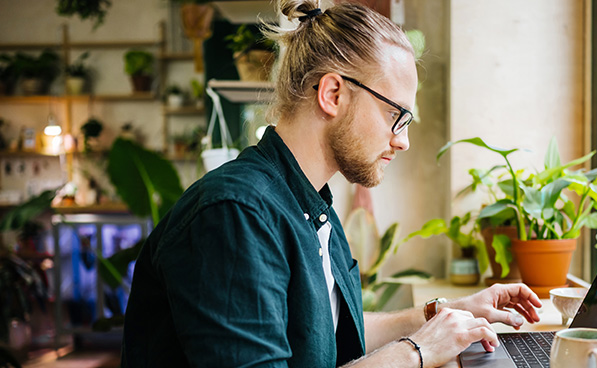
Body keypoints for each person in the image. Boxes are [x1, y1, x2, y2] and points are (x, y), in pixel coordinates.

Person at [121, 1, 543, 367]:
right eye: (397, 115)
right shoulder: (234, 214)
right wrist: (417, 351)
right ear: (333, 94)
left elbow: (325, 333)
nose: (403, 139)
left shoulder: (309, 205)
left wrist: (443, 313)